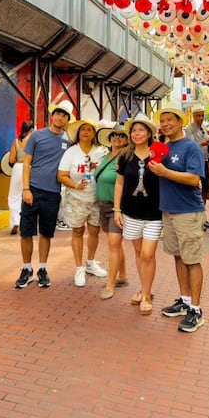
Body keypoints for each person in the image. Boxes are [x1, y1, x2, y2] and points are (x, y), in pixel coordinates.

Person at [149, 107, 208, 333]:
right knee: (178, 257)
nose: (165, 124)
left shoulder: (191, 147)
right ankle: (184, 300)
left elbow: (194, 179)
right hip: (169, 210)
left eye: (169, 120)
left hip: (188, 211)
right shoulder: (162, 147)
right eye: (162, 121)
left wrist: (165, 172)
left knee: (192, 259)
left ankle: (196, 308)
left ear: (180, 121)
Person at [17, 100, 74, 289]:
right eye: (57, 113)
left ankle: (42, 268)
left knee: (46, 233)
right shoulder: (37, 136)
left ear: (67, 119)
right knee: (26, 232)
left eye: (64, 115)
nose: (60, 117)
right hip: (32, 190)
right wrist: (26, 189)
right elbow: (26, 163)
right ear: (52, 115)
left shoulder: (68, 140)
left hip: (53, 193)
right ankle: (26, 269)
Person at [114, 114, 164, 315]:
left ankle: (146, 294)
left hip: (154, 212)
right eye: (134, 130)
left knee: (147, 253)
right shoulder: (125, 156)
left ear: (150, 133)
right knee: (137, 252)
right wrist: (117, 209)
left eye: (141, 130)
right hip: (131, 212)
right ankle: (145, 290)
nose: (137, 133)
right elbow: (119, 184)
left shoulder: (158, 154)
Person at [57, 118, 109, 287]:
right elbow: (62, 175)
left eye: (89, 129)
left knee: (94, 231)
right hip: (77, 199)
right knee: (78, 232)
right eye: (83, 129)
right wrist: (76, 185)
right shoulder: (71, 152)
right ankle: (79, 267)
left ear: (94, 134)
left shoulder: (101, 151)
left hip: (96, 199)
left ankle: (90, 263)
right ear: (78, 133)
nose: (86, 132)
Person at [94, 124, 131, 299]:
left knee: (113, 244)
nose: (117, 138)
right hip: (103, 205)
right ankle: (122, 275)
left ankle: (110, 284)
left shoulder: (126, 158)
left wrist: (120, 208)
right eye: (114, 135)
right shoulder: (106, 156)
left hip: (117, 207)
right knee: (116, 243)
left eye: (122, 135)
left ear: (127, 140)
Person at [7, 121, 34, 235]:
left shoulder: (16, 142)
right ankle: (26, 222)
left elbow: (11, 159)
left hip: (18, 168)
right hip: (30, 168)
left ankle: (15, 221)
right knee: (28, 195)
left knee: (14, 196)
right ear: (31, 130)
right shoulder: (33, 141)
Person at [183, 105, 209, 202]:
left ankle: (203, 206)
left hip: (205, 158)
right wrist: (203, 143)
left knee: (205, 185)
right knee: (195, 184)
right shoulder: (189, 129)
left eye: (202, 115)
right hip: (195, 160)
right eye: (198, 115)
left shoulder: (203, 127)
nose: (201, 118)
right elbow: (191, 145)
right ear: (194, 116)